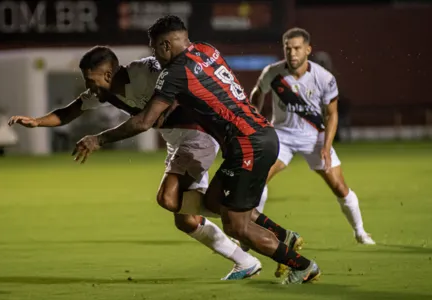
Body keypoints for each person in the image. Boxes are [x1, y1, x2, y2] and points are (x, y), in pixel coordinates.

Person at [8, 46, 302, 280]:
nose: (89, 86)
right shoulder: (104, 93)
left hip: (197, 134)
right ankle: (253, 249)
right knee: (185, 216)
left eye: (91, 80)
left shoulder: (145, 69)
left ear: (108, 74)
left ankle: (253, 244)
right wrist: (37, 121)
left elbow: (177, 79)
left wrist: (101, 138)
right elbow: (69, 112)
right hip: (178, 141)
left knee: (169, 197)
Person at [71, 16, 320, 284]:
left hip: (248, 144)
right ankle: (284, 237)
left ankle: (302, 266)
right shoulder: (206, 49)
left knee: (237, 227)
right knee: (214, 202)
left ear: (167, 45)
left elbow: (145, 121)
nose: (155, 56)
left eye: (155, 49)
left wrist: (99, 140)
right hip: (257, 136)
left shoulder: (174, 72)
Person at [249, 27, 375, 245]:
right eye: (288, 49)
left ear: (308, 49)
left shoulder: (324, 78)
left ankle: (360, 232)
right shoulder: (273, 72)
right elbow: (258, 92)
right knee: (258, 180)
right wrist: (254, 122)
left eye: (297, 48)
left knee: (339, 187)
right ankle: (251, 235)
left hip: (314, 138)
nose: (292, 53)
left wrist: (326, 146)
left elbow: (332, 114)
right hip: (282, 136)